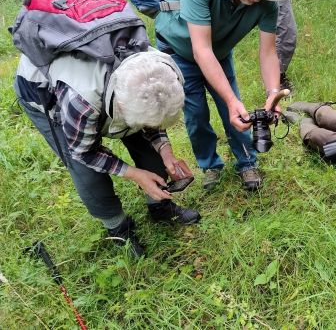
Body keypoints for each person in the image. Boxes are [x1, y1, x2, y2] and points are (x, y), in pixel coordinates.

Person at [14, 50, 201, 257]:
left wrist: (166, 153)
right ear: (121, 106)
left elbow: (154, 113)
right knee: (85, 170)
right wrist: (134, 174)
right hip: (44, 93)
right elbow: (84, 153)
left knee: (147, 146)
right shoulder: (81, 101)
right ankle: (118, 228)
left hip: (111, 92)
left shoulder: (159, 70)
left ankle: (159, 207)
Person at [155, 0, 292, 192]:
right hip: (180, 50)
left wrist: (273, 93)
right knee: (196, 114)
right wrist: (231, 101)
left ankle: (246, 161)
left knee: (236, 109)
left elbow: (268, 52)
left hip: (217, 50)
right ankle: (210, 165)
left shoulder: (265, 3)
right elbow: (200, 50)